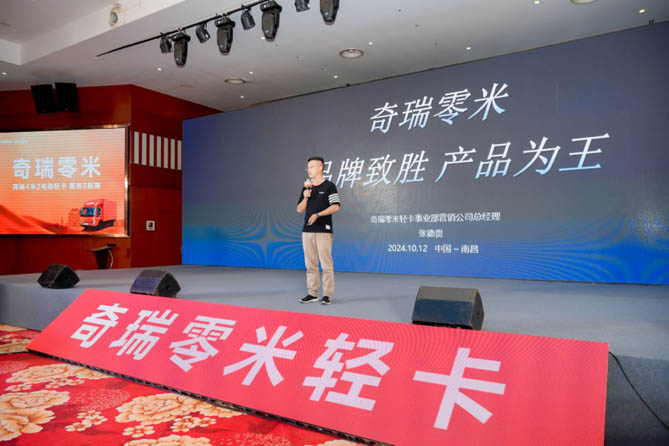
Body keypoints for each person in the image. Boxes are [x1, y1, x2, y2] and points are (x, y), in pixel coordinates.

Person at [297, 156, 341, 305]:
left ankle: (327, 294)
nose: (309, 170)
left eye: (312, 167)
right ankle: (312, 293)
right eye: (308, 167)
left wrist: (318, 215)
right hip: (307, 231)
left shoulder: (329, 186)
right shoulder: (306, 188)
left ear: (320, 168)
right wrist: (305, 198)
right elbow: (299, 209)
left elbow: (336, 206)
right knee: (310, 264)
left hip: (323, 230)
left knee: (326, 264)